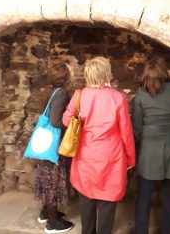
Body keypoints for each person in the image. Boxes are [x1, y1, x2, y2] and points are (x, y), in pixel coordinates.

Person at [62, 56, 136, 234]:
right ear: (106, 74)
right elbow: (126, 131)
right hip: (111, 157)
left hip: (85, 156)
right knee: (107, 201)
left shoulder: (79, 95)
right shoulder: (118, 98)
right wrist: (131, 159)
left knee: (86, 199)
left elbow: (66, 121)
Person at [132, 56, 170, 234]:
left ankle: (140, 231)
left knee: (144, 195)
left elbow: (137, 128)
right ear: (164, 71)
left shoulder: (141, 94)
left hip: (149, 150)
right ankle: (167, 231)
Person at [34, 63, 75, 234]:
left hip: (45, 144)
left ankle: (45, 213)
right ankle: (52, 223)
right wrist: (72, 121)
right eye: (71, 70)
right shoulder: (62, 93)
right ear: (65, 77)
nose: (73, 71)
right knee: (52, 182)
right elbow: (55, 121)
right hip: (54, 146)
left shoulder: (50, 91)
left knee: (47, 179)